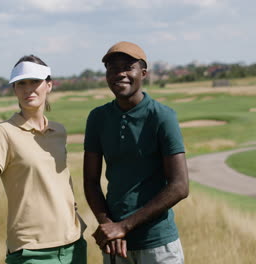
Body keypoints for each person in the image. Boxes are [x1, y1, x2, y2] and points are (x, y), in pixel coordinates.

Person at [0, 55, 87, 264]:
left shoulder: (59, 131)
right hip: (30, 250)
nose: (28, 89)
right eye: (21, 83)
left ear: (49, 85)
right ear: (14, 89)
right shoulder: (4, 132)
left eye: (35, 82)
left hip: (73, 245)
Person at [83, 41, 189, 264]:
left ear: (143, 73)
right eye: (112, 68)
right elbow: (91, 181)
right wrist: (108, 227)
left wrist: (122, 226)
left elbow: (180, 186)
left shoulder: (162, 117)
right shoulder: (98, 118)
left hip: (158, 245)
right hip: (115, 246)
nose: (119, 74)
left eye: (127, 67)